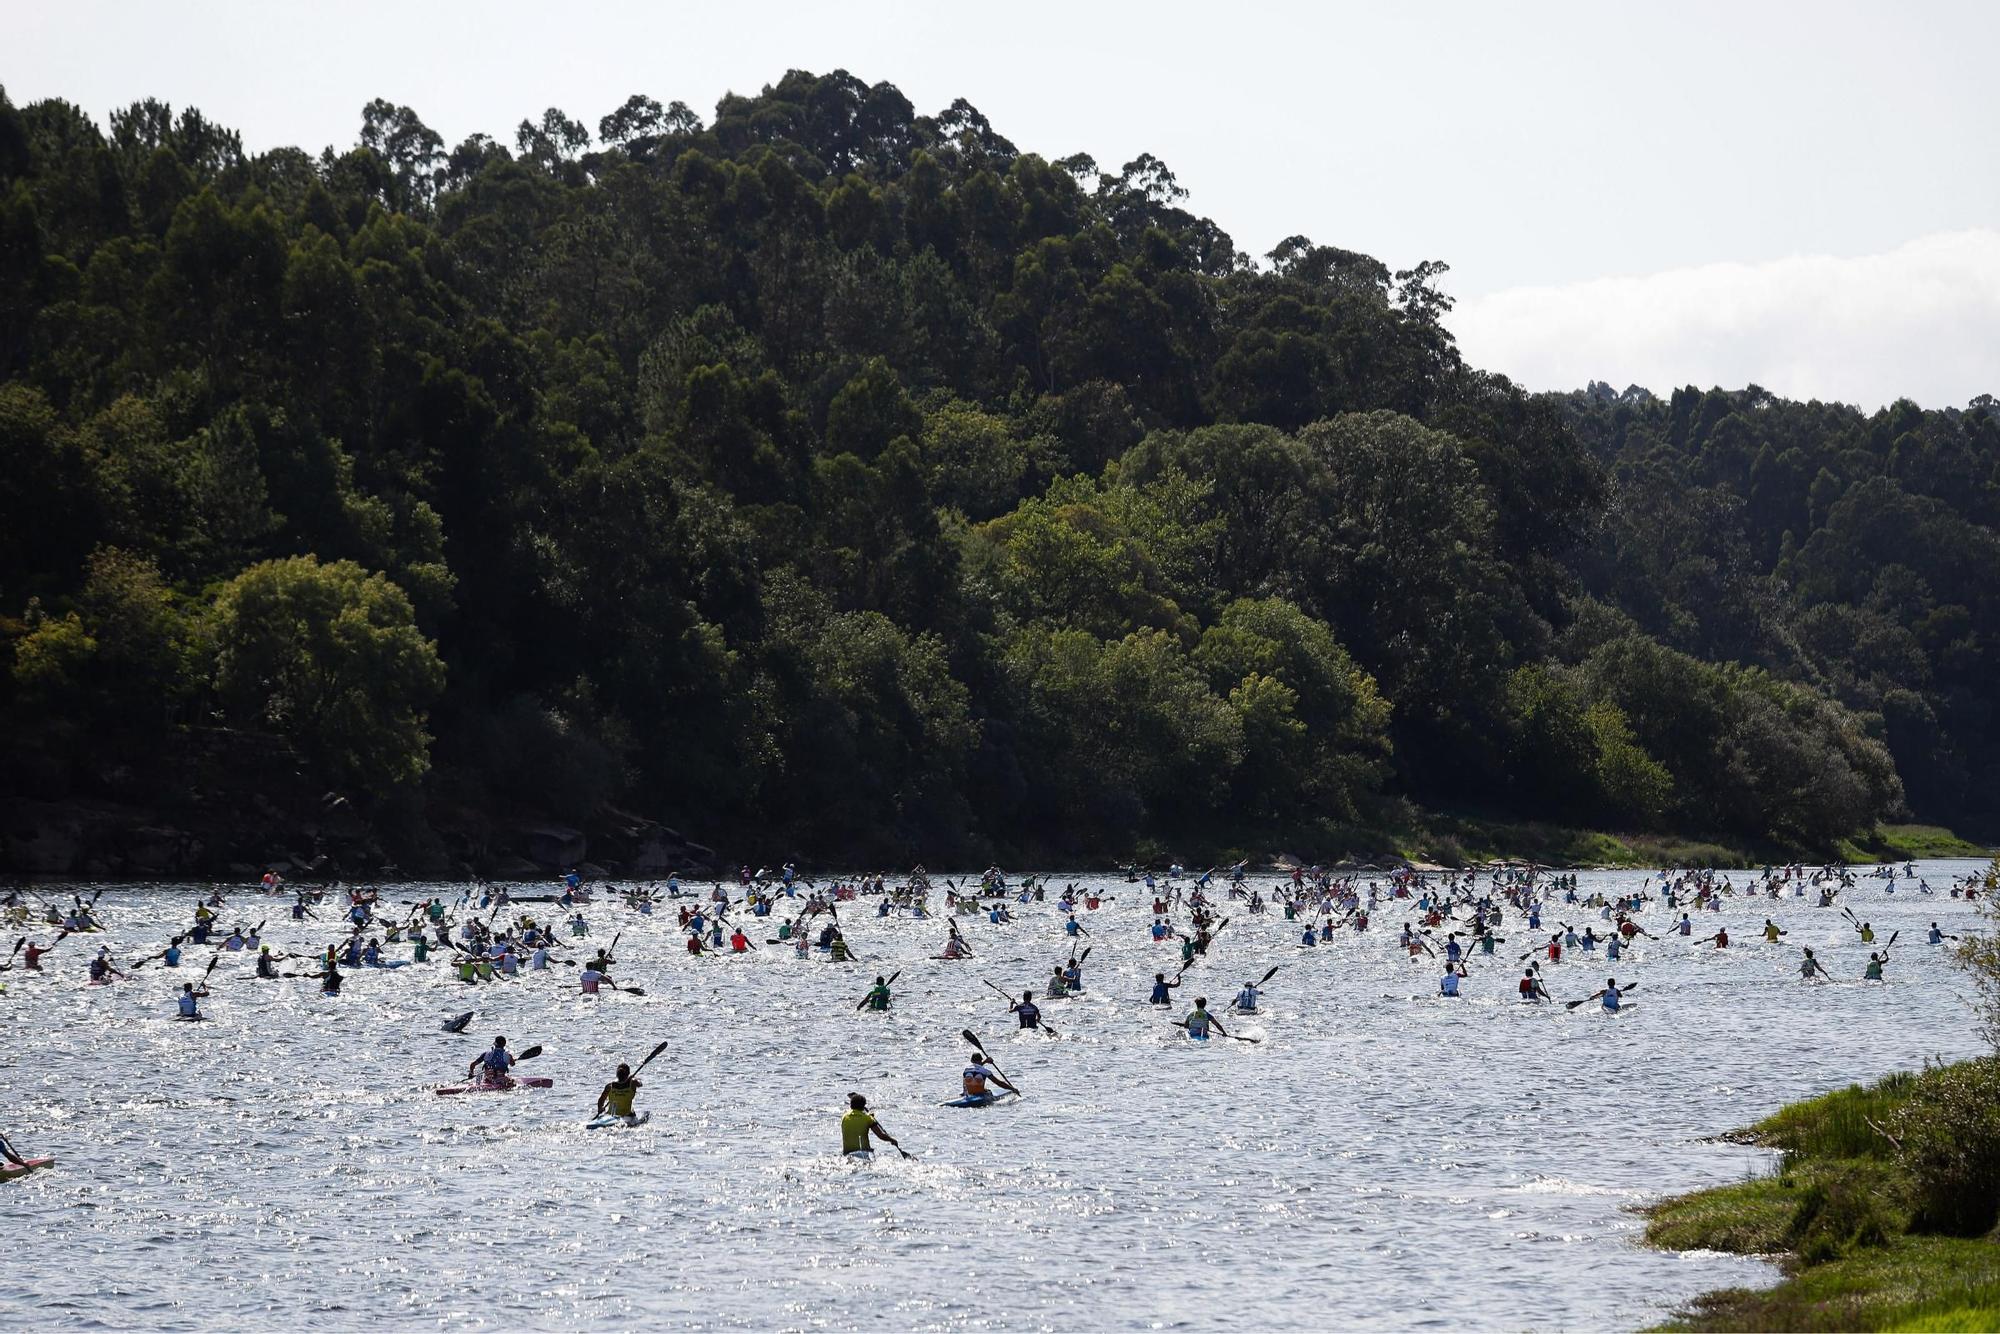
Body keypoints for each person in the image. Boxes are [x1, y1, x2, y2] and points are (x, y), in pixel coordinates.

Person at [841, 1093, 906, 1159]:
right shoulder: (867, 1118)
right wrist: (891, 1140)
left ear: (851, 1105)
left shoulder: (844, 1117)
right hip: (864, 1153)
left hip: (847, 1154)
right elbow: (881, 1135)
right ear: (863, 1106)